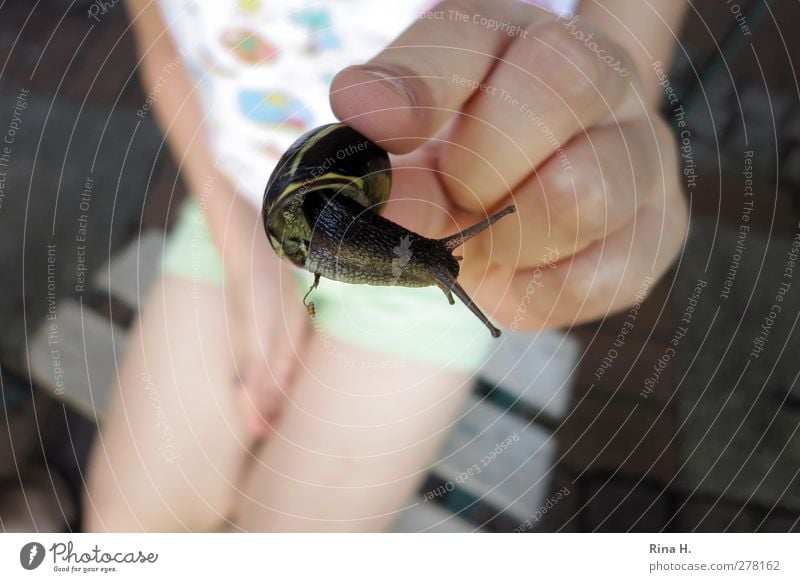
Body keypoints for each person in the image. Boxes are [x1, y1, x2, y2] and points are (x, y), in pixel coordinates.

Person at [84, 0, 688, 532]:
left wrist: (598, 158)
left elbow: (620, 69)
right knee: (124, 528)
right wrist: (247, 259)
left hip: (437, 231)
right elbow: (161, 35)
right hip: (240, 208)